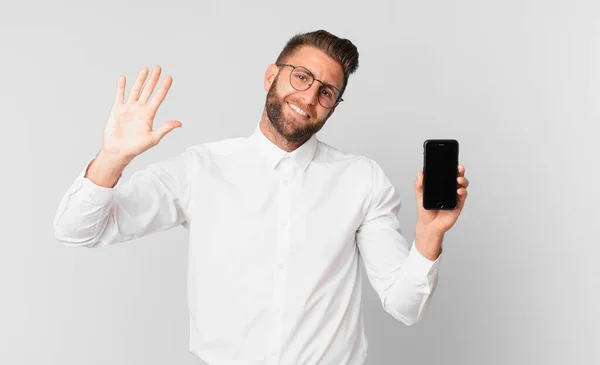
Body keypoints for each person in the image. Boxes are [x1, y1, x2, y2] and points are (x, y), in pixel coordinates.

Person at [54, 30, 469, 365]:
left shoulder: (362, 180)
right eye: (302, 77)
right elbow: (77, 231)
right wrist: (112, 159)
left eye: (327, 92)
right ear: (271, 75)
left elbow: (405, 305)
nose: (309, 97)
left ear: (334, 107)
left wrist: (429, 234)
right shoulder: (201, 169)